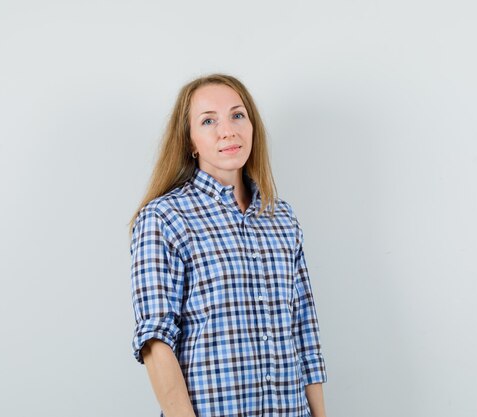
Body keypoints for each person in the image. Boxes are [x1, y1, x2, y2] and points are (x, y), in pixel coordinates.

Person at [127, 74, 328, 417]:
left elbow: (304, 330)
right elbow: (156, 341)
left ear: (252, 126)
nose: (228, 130)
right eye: (208, 121)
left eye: (237, 115)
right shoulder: (164, 218)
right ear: (190, 141)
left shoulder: (282, 217)